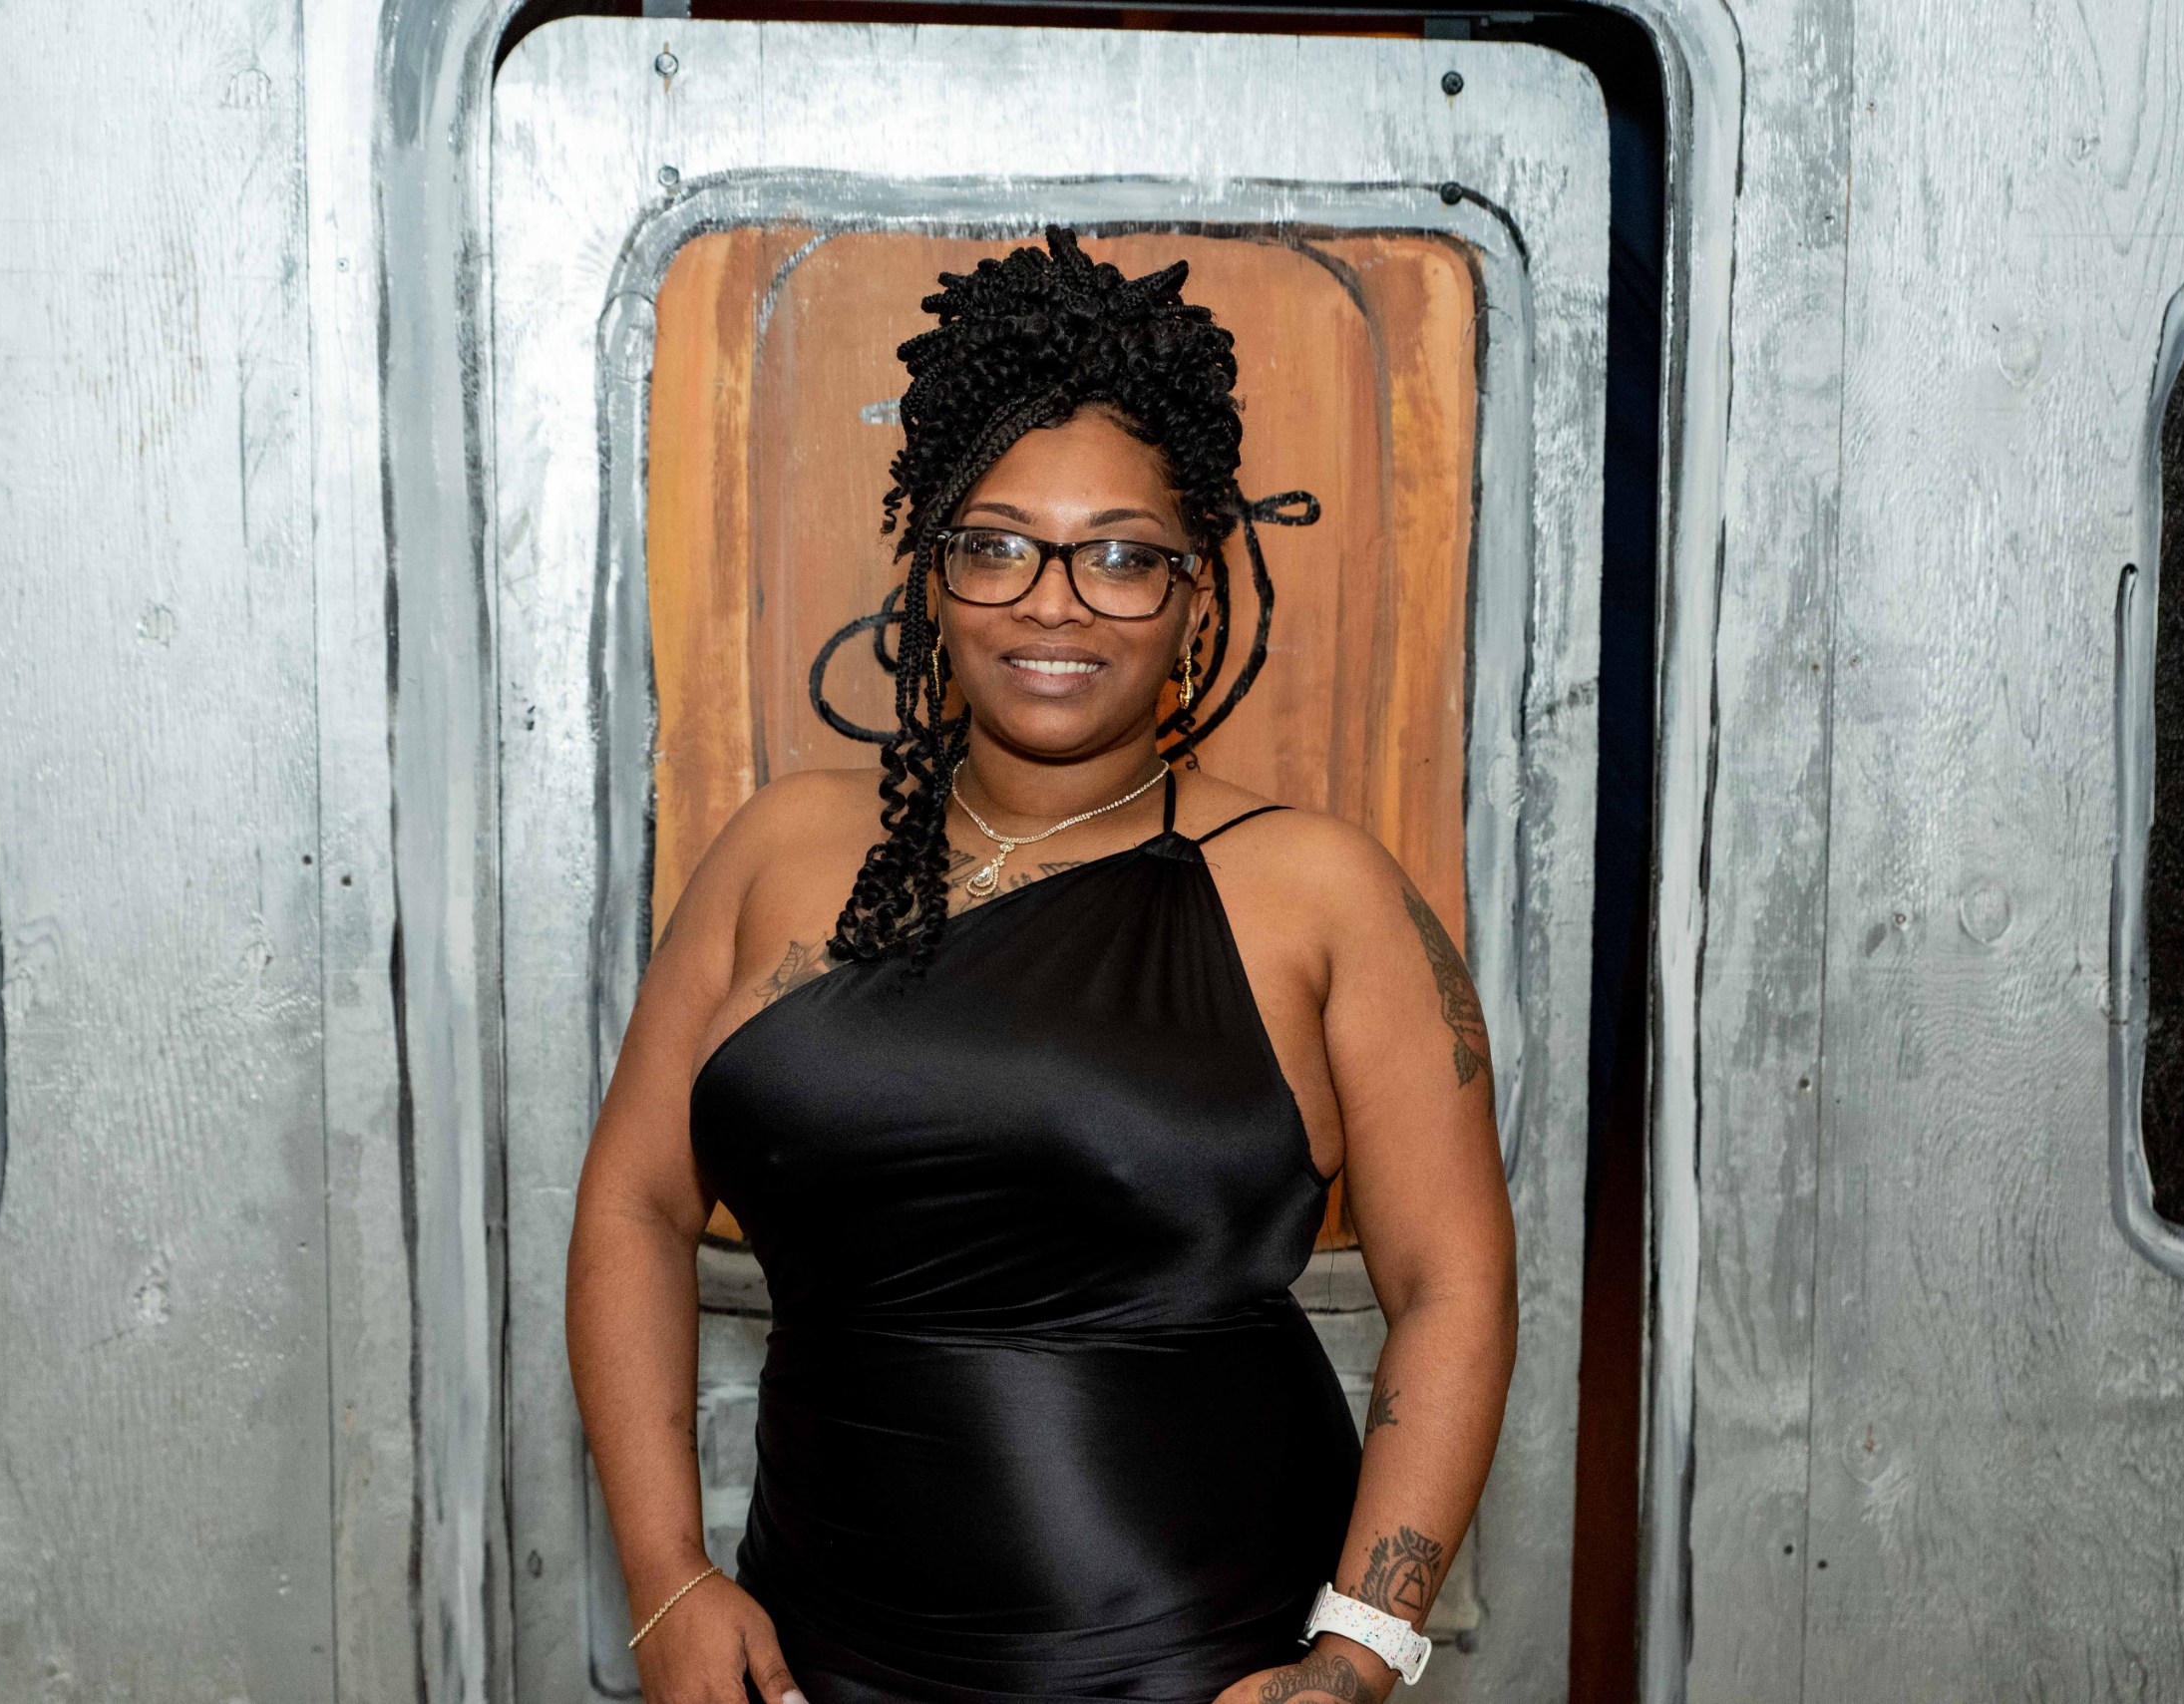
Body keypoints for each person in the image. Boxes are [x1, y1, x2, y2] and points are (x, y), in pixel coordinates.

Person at [566, 227, 1517, 1704]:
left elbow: (1451, 1279)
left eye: (1122, 557)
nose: (1053, 601)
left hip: (1196, 1667)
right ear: (933, 572)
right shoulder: (779, 852)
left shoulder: (1318, 891)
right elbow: (632, 1201)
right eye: (997, 543)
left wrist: (1355, 1658)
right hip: (808, 1664)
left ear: (1196, 594)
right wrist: (665, 1576)